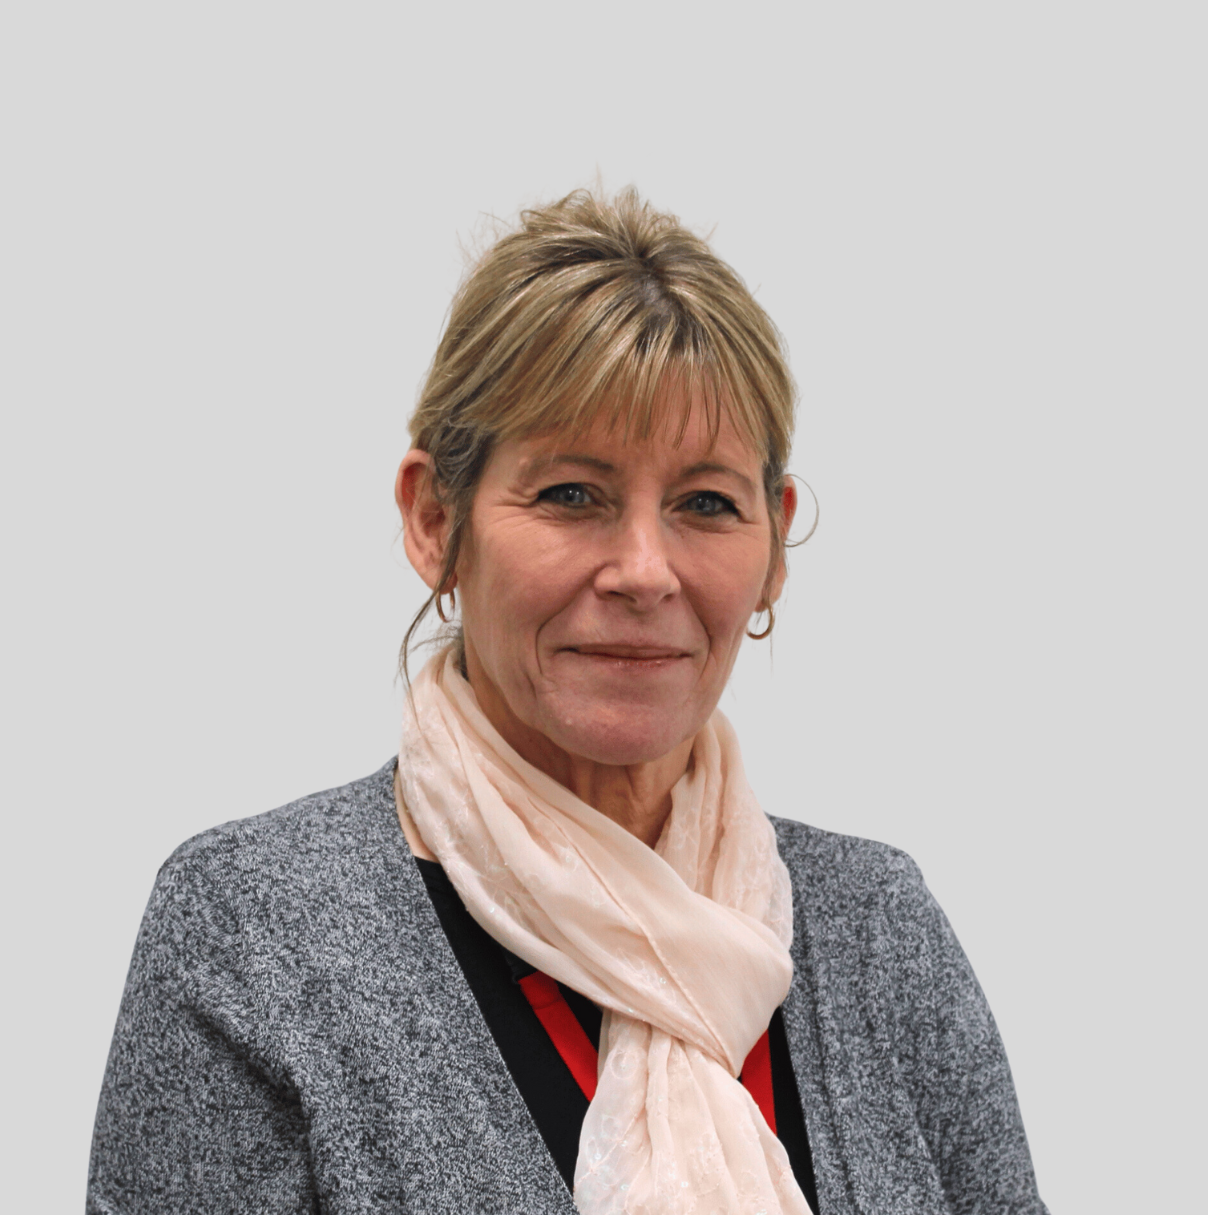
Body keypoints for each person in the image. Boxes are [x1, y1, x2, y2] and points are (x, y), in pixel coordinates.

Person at [88, 188, 1049, 1215]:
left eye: (705, 505)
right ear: (433, 519)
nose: (645, 570)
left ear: (773, 545)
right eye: (571, 496)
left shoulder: (878, 932)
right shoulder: (257, 932)